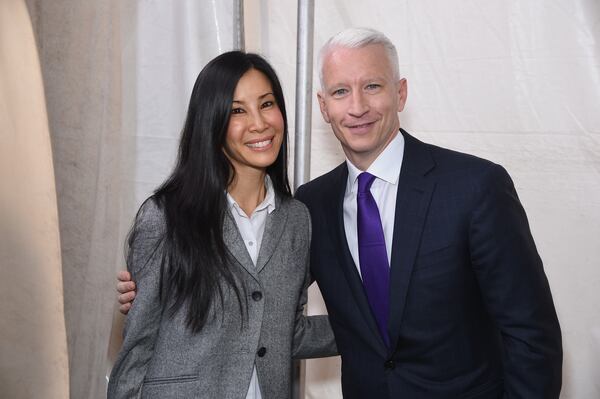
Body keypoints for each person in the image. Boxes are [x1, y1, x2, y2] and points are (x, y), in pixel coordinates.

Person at [119, 28, 563, 398]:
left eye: (372, 86)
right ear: (322, 106)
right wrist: (156, 288)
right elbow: (264, 304)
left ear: (401, 92)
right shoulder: (312, 205)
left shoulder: (474, 186)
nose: (357, 107)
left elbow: (531, 335)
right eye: (340, 92)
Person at [108, 51, 336, 399]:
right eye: (237, 110)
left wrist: (378, 327)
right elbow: (136, 347)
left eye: (267, 104)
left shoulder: (296, 221)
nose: (259, 123)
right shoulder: (166, 216)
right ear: (211, 121)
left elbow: (282, 330)